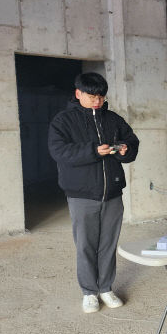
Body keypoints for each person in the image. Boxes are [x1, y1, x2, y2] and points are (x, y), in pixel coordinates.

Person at [48, 72, 139, 314]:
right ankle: (89, 292)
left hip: (112, 193)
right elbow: (59, 151)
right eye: (91, 96)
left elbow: (132, 143)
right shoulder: (63, 121)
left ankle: (106, 287)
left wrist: (124, 150)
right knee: (86, 244)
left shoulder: (113, 119)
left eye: (100, 96)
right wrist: (93, 151)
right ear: (78, 94)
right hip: (82, 194)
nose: (97, 101)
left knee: (108, 243)